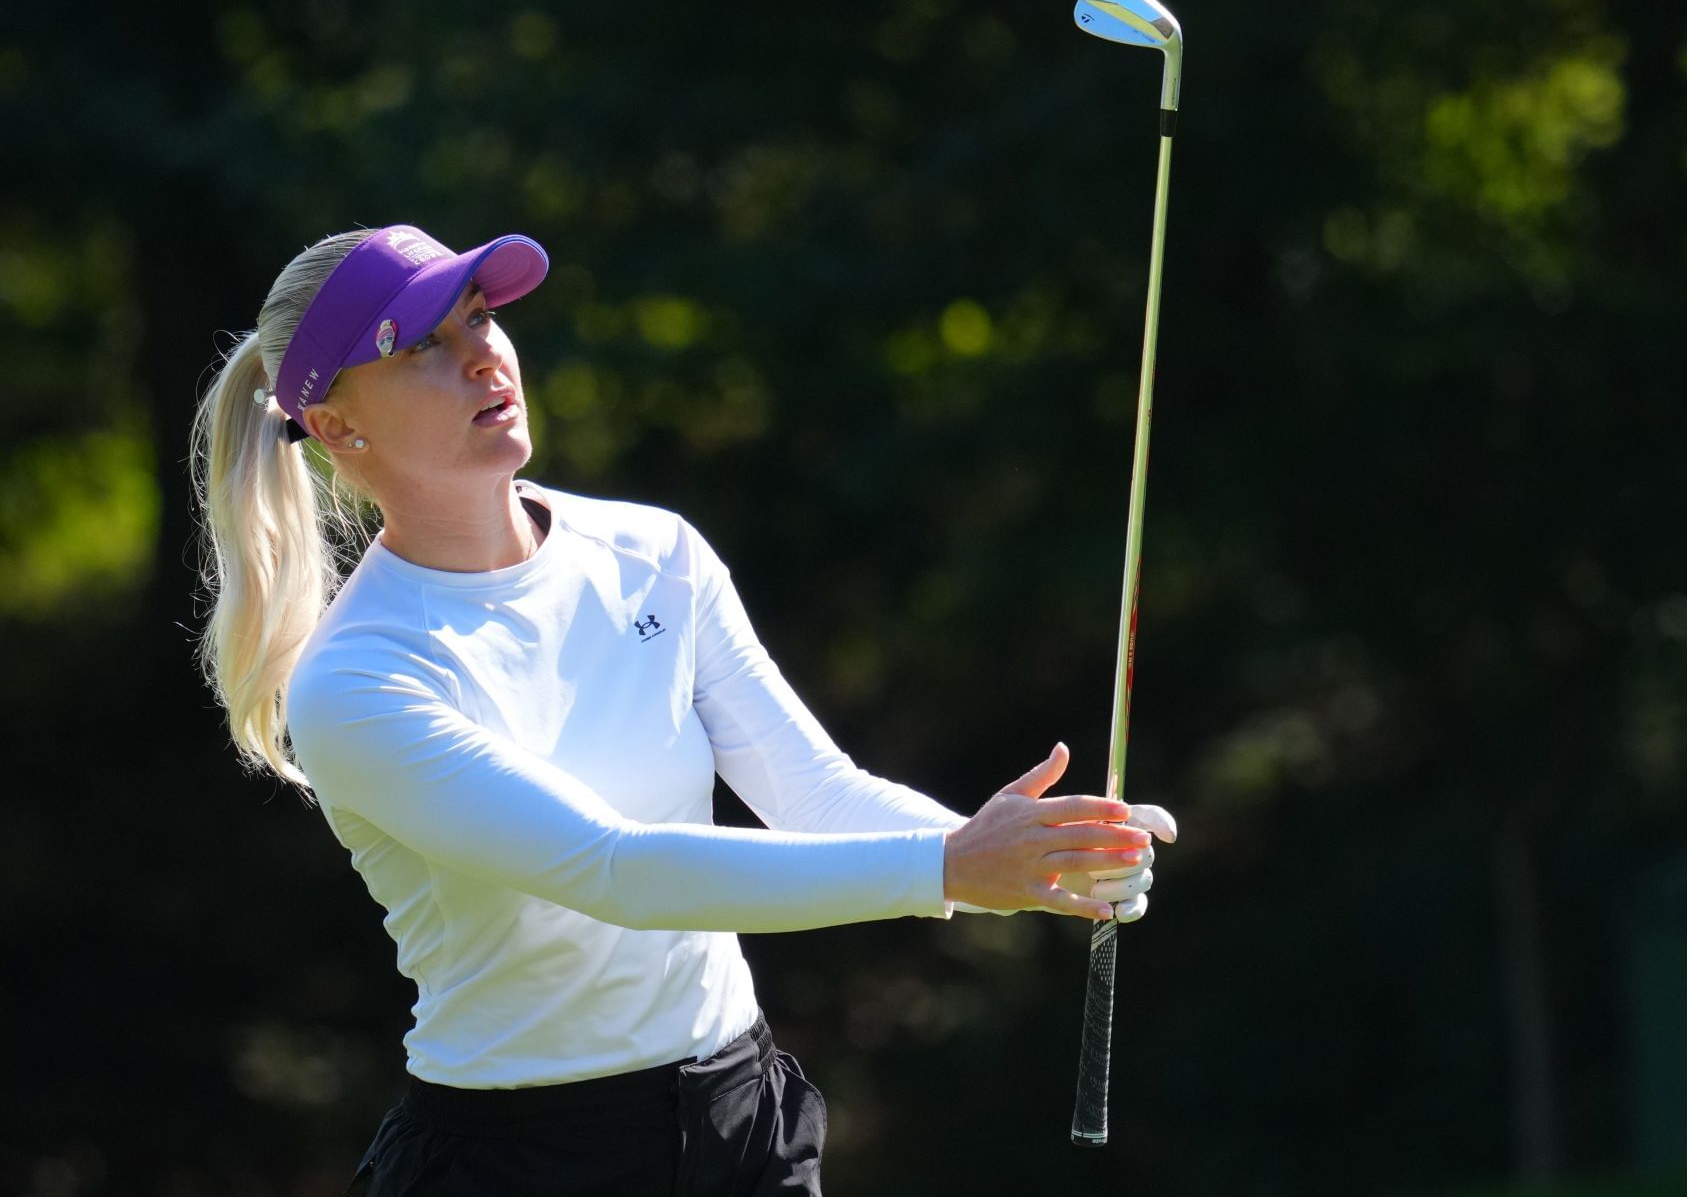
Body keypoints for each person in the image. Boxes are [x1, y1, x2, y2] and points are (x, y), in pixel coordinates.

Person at [190, 224, 1178, 1196]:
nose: (483, 355)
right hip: (518, 1158)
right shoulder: (358, 680)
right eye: (422, 347)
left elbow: (818, 797)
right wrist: (956, 864)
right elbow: (617, 869)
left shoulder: (655, 550)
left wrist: (1044, 853)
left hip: (741, 1120)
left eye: (481, 316)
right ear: (335, 425)